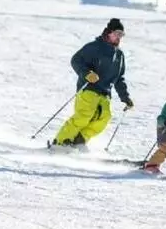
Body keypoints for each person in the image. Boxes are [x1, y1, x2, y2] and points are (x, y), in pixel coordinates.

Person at [51, 18, 134, 148]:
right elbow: (76, 60)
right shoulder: (95, 47)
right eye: (117, 33)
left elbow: (119, 78)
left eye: (121, 35)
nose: (119, 37)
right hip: (89, 88)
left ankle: (79, 141)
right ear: (109, 32)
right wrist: (87, 74)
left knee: (104, 118)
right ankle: (60, 142)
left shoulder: (119, 55)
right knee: (84, 116)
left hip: (105, 93)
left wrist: (125, 97)